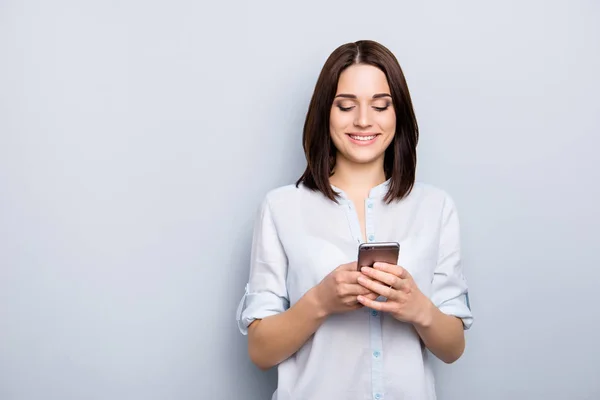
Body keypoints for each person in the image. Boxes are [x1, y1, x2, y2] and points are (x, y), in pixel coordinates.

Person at [235, 39, 473, 400]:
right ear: (324, 114)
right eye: (346, 106)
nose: (363, 120)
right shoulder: (281, 207)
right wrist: (321, 301)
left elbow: (453, 348)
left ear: (399, 115)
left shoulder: (435, 207)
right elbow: (260, 352)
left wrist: (417, 307)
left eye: (380, 106)